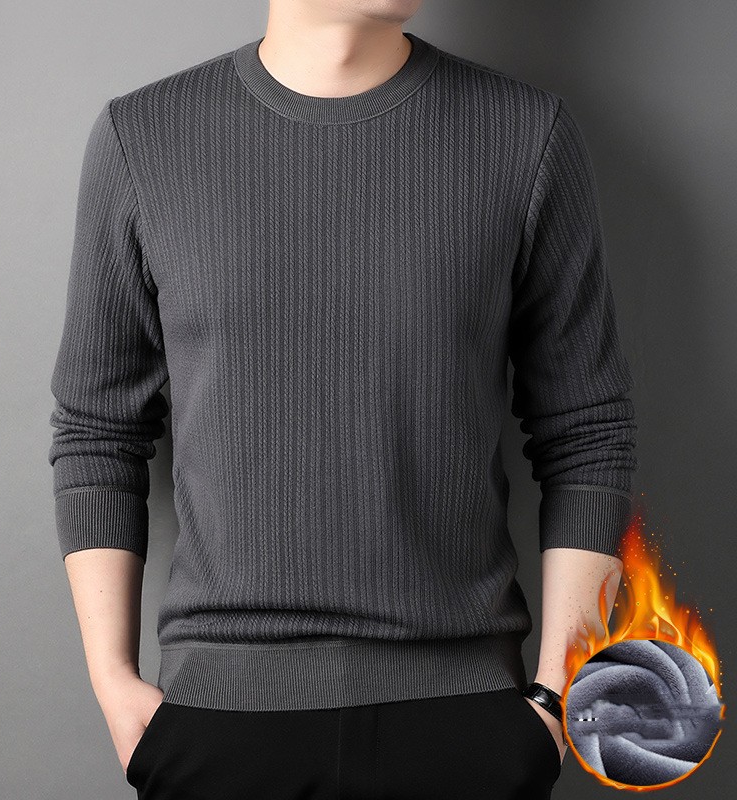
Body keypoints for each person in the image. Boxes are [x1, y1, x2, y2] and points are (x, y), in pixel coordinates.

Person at [48, 1, 638, 797]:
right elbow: (98, 430)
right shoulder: (143, 137)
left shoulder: (526, 134)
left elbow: (588, 430)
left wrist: (557, 697)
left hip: (466, 718)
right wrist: (114, 685)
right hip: (219, 716)